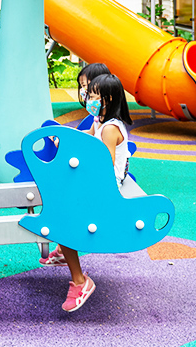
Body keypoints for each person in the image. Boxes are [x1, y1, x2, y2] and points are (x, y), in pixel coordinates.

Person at [42, 73, 133, 312]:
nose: (88, 98)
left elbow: (103, 164)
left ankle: (81, 282)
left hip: (106, 187)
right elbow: (88, 138)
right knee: (58, 199)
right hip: (100, 182)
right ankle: (65, 252)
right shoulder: (99, 121)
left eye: (93, 95)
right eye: (88, 94)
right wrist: (65, 140)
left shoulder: (110, 129)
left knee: (62, 216)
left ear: (108, 99)